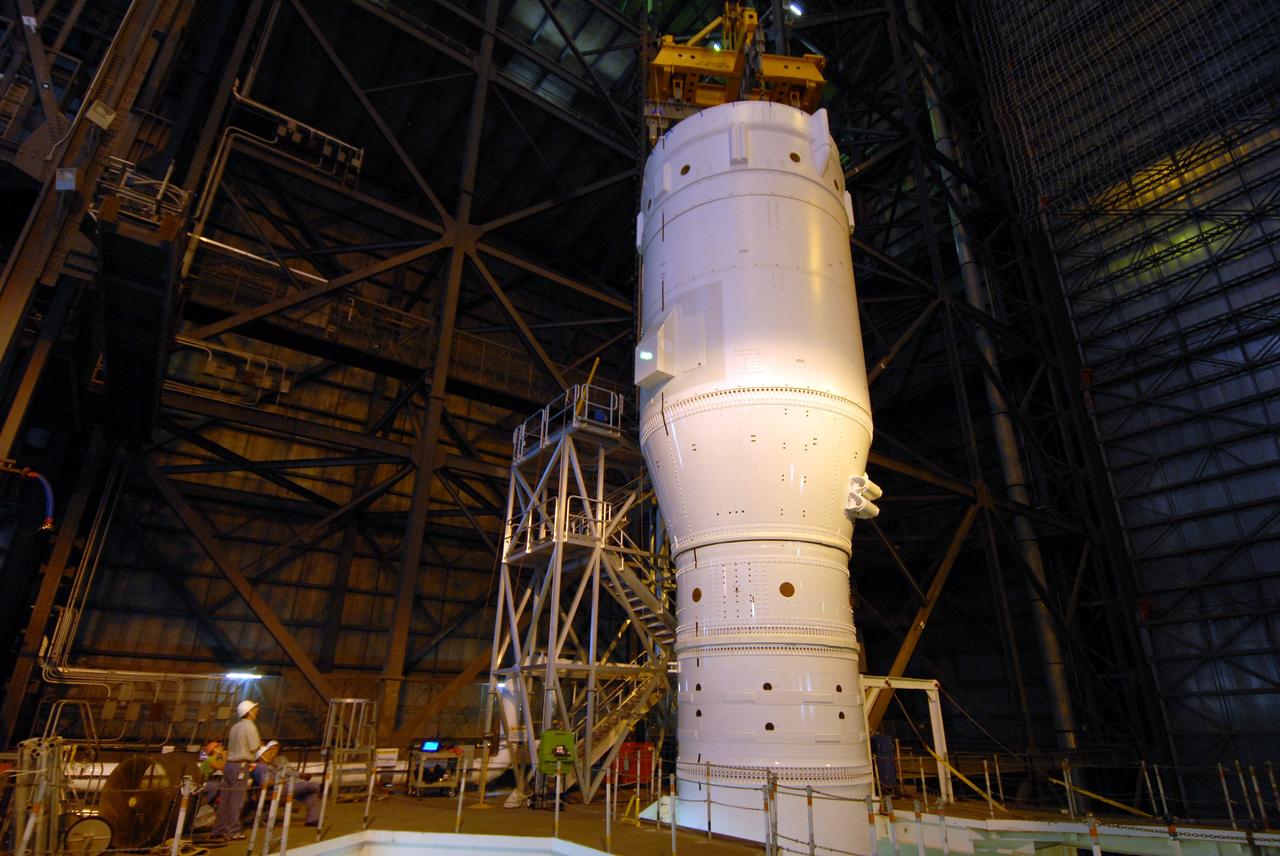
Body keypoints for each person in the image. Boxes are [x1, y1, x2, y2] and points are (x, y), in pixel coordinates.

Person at [213, 699, 261, 839]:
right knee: (237, 800)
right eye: (254, 709)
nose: (257, 710)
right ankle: (232, 831)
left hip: (229, 765)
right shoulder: (250, 727)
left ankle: (218, 830)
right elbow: (254, 747)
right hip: (240, 766)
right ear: (249, 712)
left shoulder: (235, 727)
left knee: (225, 800)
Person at [250, 741, 322, 826]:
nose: (271, 754)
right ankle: (319, 788)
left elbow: (286, 772)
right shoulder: (261, 767)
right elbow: (265, 783)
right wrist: (280, 781)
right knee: (309, 785)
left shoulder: (272, 764)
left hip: (283, 787)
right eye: (267, 753)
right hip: (276, 789)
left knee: (310, 794)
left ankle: (312, 820)